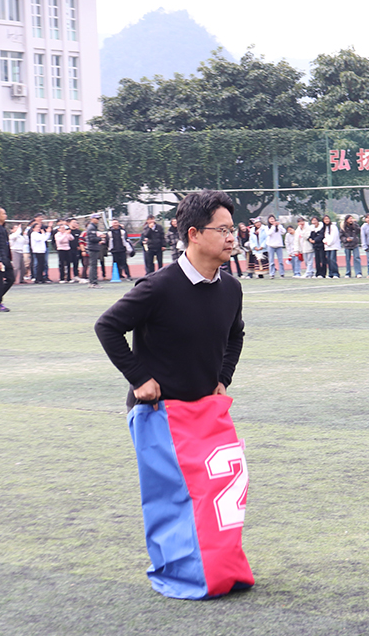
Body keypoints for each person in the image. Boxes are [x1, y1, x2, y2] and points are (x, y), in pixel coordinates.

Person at [94, 190, 249, 597]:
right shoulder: (159, 287)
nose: (231, 237)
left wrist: (223, 377)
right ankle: (182, 574)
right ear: (194, 234)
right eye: (222, 230)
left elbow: (236, 335)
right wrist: (138, 378)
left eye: (232, 229)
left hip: (206, 411)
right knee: (175, 498)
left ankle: (219, 569)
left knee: (218, 491)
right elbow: (107, 327)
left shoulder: (231, 288)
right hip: (159, 413)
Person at [86, 213, 103, 287]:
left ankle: (92, 282)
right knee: (93, 265)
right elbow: (92, 238)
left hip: (93, 247)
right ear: (92, 219)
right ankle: (93, 282)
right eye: (96, 218)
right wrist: (100, 238)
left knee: (93, 265)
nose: (97, 220)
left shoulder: (93, 227)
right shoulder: (91, 227)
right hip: (93, 248)